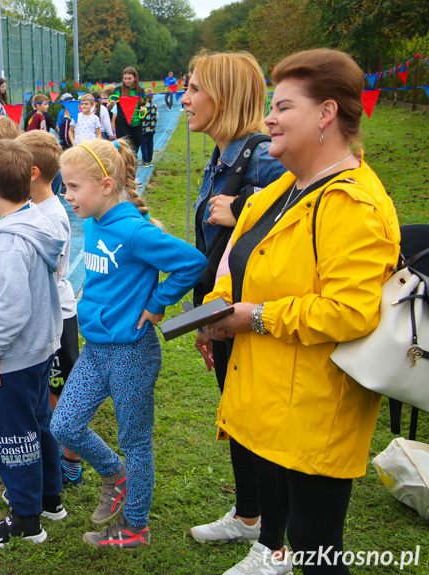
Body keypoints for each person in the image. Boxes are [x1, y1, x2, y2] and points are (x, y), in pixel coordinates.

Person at [204, 48, 400, 575]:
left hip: (315, 409)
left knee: (315, 551)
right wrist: (213, 312)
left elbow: (350, 311)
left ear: (326, 114)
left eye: (284, 106)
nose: (269, 118)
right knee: (288, 534)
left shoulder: (351, 204)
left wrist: (256, 317)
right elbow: (236, 264)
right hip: (271, 398)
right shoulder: (282, 189)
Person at [50, 138, 206, 549]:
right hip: (96, 348)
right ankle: (115, 474)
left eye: (73, 188)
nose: (67, 197)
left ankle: (136, 527)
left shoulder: (135, 231)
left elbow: (192, 262)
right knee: (64, 423)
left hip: (132, 353)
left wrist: (156, 304)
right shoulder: (94, 221)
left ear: (105, 185)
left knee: (135, 439)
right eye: (64, 187)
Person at [183, 51, 287, 553]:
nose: (184, 100)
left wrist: (244, 206)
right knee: (236, 416)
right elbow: (217, 252)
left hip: (257, 320)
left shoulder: (263, 155)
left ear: (223, 97)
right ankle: (249, 514)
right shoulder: (223, 156)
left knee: (260, 427)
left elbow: (304, 214)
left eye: (195, 89)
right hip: (224, 313)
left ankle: (272, 539)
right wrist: (206, 319)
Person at [0, 139, 65, 549]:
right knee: (39, 423)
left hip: (12, 358)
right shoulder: (34, 220)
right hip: (40, 348)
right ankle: (49, 498)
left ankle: (26, 519)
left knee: (14, 435)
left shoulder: (9, 240)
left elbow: (11, 307)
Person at [16, 131, 82, 486]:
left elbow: (49, 273)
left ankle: (70, 461)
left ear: (32, 172)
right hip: (44, 315)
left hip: (56, 317)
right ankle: (57, 456)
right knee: (48, 394)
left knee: (61, 396)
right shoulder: (34, 208)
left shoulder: (51, 215)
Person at [114, 67, 145, 155]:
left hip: (137, 123)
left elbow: (144, 105)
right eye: (125, 79)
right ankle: (124, 168)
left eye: (129, 79)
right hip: (122, 123)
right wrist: (110, 104)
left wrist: (143, 110)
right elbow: (110, 103)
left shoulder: (140, 91)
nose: (127, 81)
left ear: (135, 78)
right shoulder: (118, 90)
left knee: (135, 149)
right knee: (124, 149)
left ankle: (133, 168)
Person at [139, 89, 157, 167]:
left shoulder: (142, 106)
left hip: (144, 129)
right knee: (150, 144)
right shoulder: (154, 106)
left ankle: (145, 161)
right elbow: (156, 117)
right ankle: (149, 160)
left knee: (144, 145)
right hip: (152, 128)